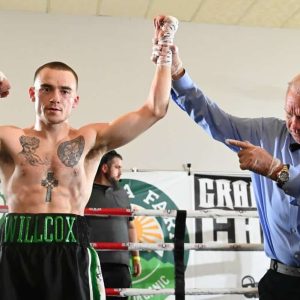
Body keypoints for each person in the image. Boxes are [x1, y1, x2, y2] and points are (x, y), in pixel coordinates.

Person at [0, 16, 178, 300]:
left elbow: (155, 110)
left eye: (64, 90)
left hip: (71, 246)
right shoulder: (9, 139)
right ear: (33, 94)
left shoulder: (90, 140)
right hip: (15, 247)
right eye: (46, 88)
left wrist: (164, 53)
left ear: (75, 100)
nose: (55, 97)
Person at [152, 15, 300, 300]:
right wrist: (178, 72)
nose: (293, 124)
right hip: (279, 280)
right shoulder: (267, 132)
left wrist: (275, 169)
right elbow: (215, 120)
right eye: (289, 112)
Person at [86, 150, 141, 299]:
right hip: (92, 263)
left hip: (120, 265)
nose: (120, 173)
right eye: (117, 167)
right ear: (104, 168)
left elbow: (130, 226)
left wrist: (136, 257)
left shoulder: (122, 193)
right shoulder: (85, 191)